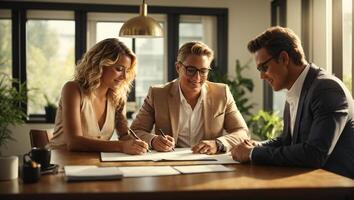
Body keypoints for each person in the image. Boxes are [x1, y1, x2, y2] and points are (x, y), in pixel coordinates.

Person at [231, 26, 354, 178]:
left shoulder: (326, 89)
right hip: (308, 181)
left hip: (337, 187)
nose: (262, 76)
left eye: (264, 67)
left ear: (284, 58)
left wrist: (253, 153)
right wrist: (256, 145)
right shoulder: (296, 89)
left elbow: (314, 154)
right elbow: (286, 140)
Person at [130, 41, 249, 154]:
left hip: (209, 162)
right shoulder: (158, 94)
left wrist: (218, 144)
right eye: (191, 70)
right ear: (178, 67)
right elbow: (134, 132)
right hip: (169, 163)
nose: (197, 77)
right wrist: (153, 140)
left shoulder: (221, 93)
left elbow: (242, 132)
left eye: (203, 71)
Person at [49, 38, 149, 155]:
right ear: (100, 65)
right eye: (119, 69)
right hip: (60, 163)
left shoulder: (117, 97)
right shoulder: (73, 89)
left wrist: (146, 142)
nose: (125, 76)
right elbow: (73, 142)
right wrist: (122, 146)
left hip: (95, 162)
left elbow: (124, 136)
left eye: (127, 71)